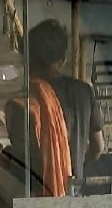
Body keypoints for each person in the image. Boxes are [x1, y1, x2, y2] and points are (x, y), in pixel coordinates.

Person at [25, 20, 104, 181]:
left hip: (39, 194)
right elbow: (97, 148)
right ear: (63, 59)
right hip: (74, 188)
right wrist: (77, 167)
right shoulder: (85, 92)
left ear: (29, 61)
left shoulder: (29, 97)